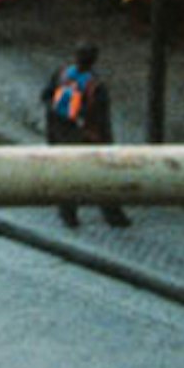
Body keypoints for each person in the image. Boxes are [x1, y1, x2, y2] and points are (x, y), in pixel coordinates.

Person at [45, 41, 128, 228]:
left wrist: (52, 135)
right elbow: (102, 119)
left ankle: (68, 214)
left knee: (69, 175)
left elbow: (47, 98)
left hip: (61, 133)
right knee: (103, 176)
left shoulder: (61, 74)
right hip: (87, 136)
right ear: (94, 60)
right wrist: (108, 143)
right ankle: (113, 215)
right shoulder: (96, 86)